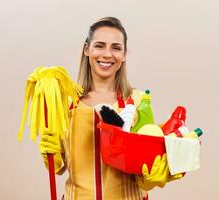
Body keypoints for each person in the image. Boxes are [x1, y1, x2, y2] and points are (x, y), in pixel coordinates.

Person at [38, 17, 182, 200]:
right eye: (99, 45)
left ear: (124, 55)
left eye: (116, 48)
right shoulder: (66, 104)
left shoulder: (136, 101)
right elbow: (58, 168)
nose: (107, 54)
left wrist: (153, 175)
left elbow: (145, 169)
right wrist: (49, 151)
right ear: (86, 50)